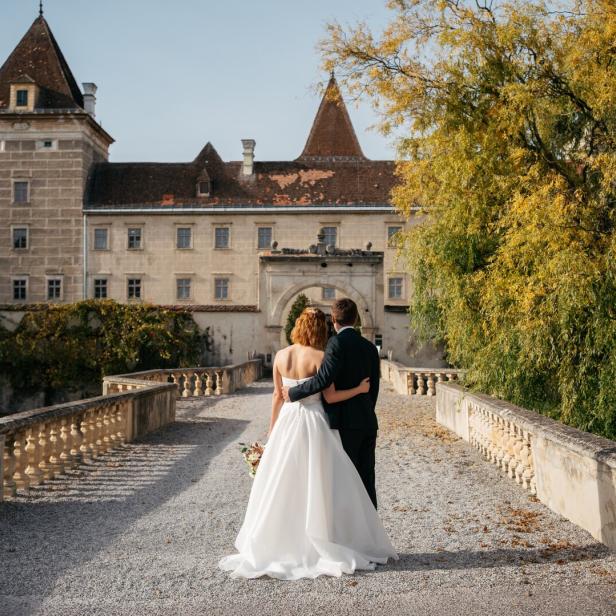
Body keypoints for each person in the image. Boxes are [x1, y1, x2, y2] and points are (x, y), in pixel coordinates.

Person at [219, 307, 397, 580]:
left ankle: (278, 541)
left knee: (282, 482)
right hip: (314, 423)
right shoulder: (320, 357)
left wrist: (271, 432)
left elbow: (277, 397)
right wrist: (360, 390)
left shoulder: (280, 356)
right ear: (320, 329)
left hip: (286, 424)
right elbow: (333, 397)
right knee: (319, 482)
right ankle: (324, 534)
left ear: (297, 326)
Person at [283, 298, 381, 508]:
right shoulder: (370, 348)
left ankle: (348, 528)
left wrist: (294, 392)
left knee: (345, 480)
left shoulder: (335, 344)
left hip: (345, 423)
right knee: (367, 477)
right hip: (367, 421)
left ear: (334, 319)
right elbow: (374, 389)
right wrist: (365, 409)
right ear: (356, 319)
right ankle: (371, 528)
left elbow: (323, 379)